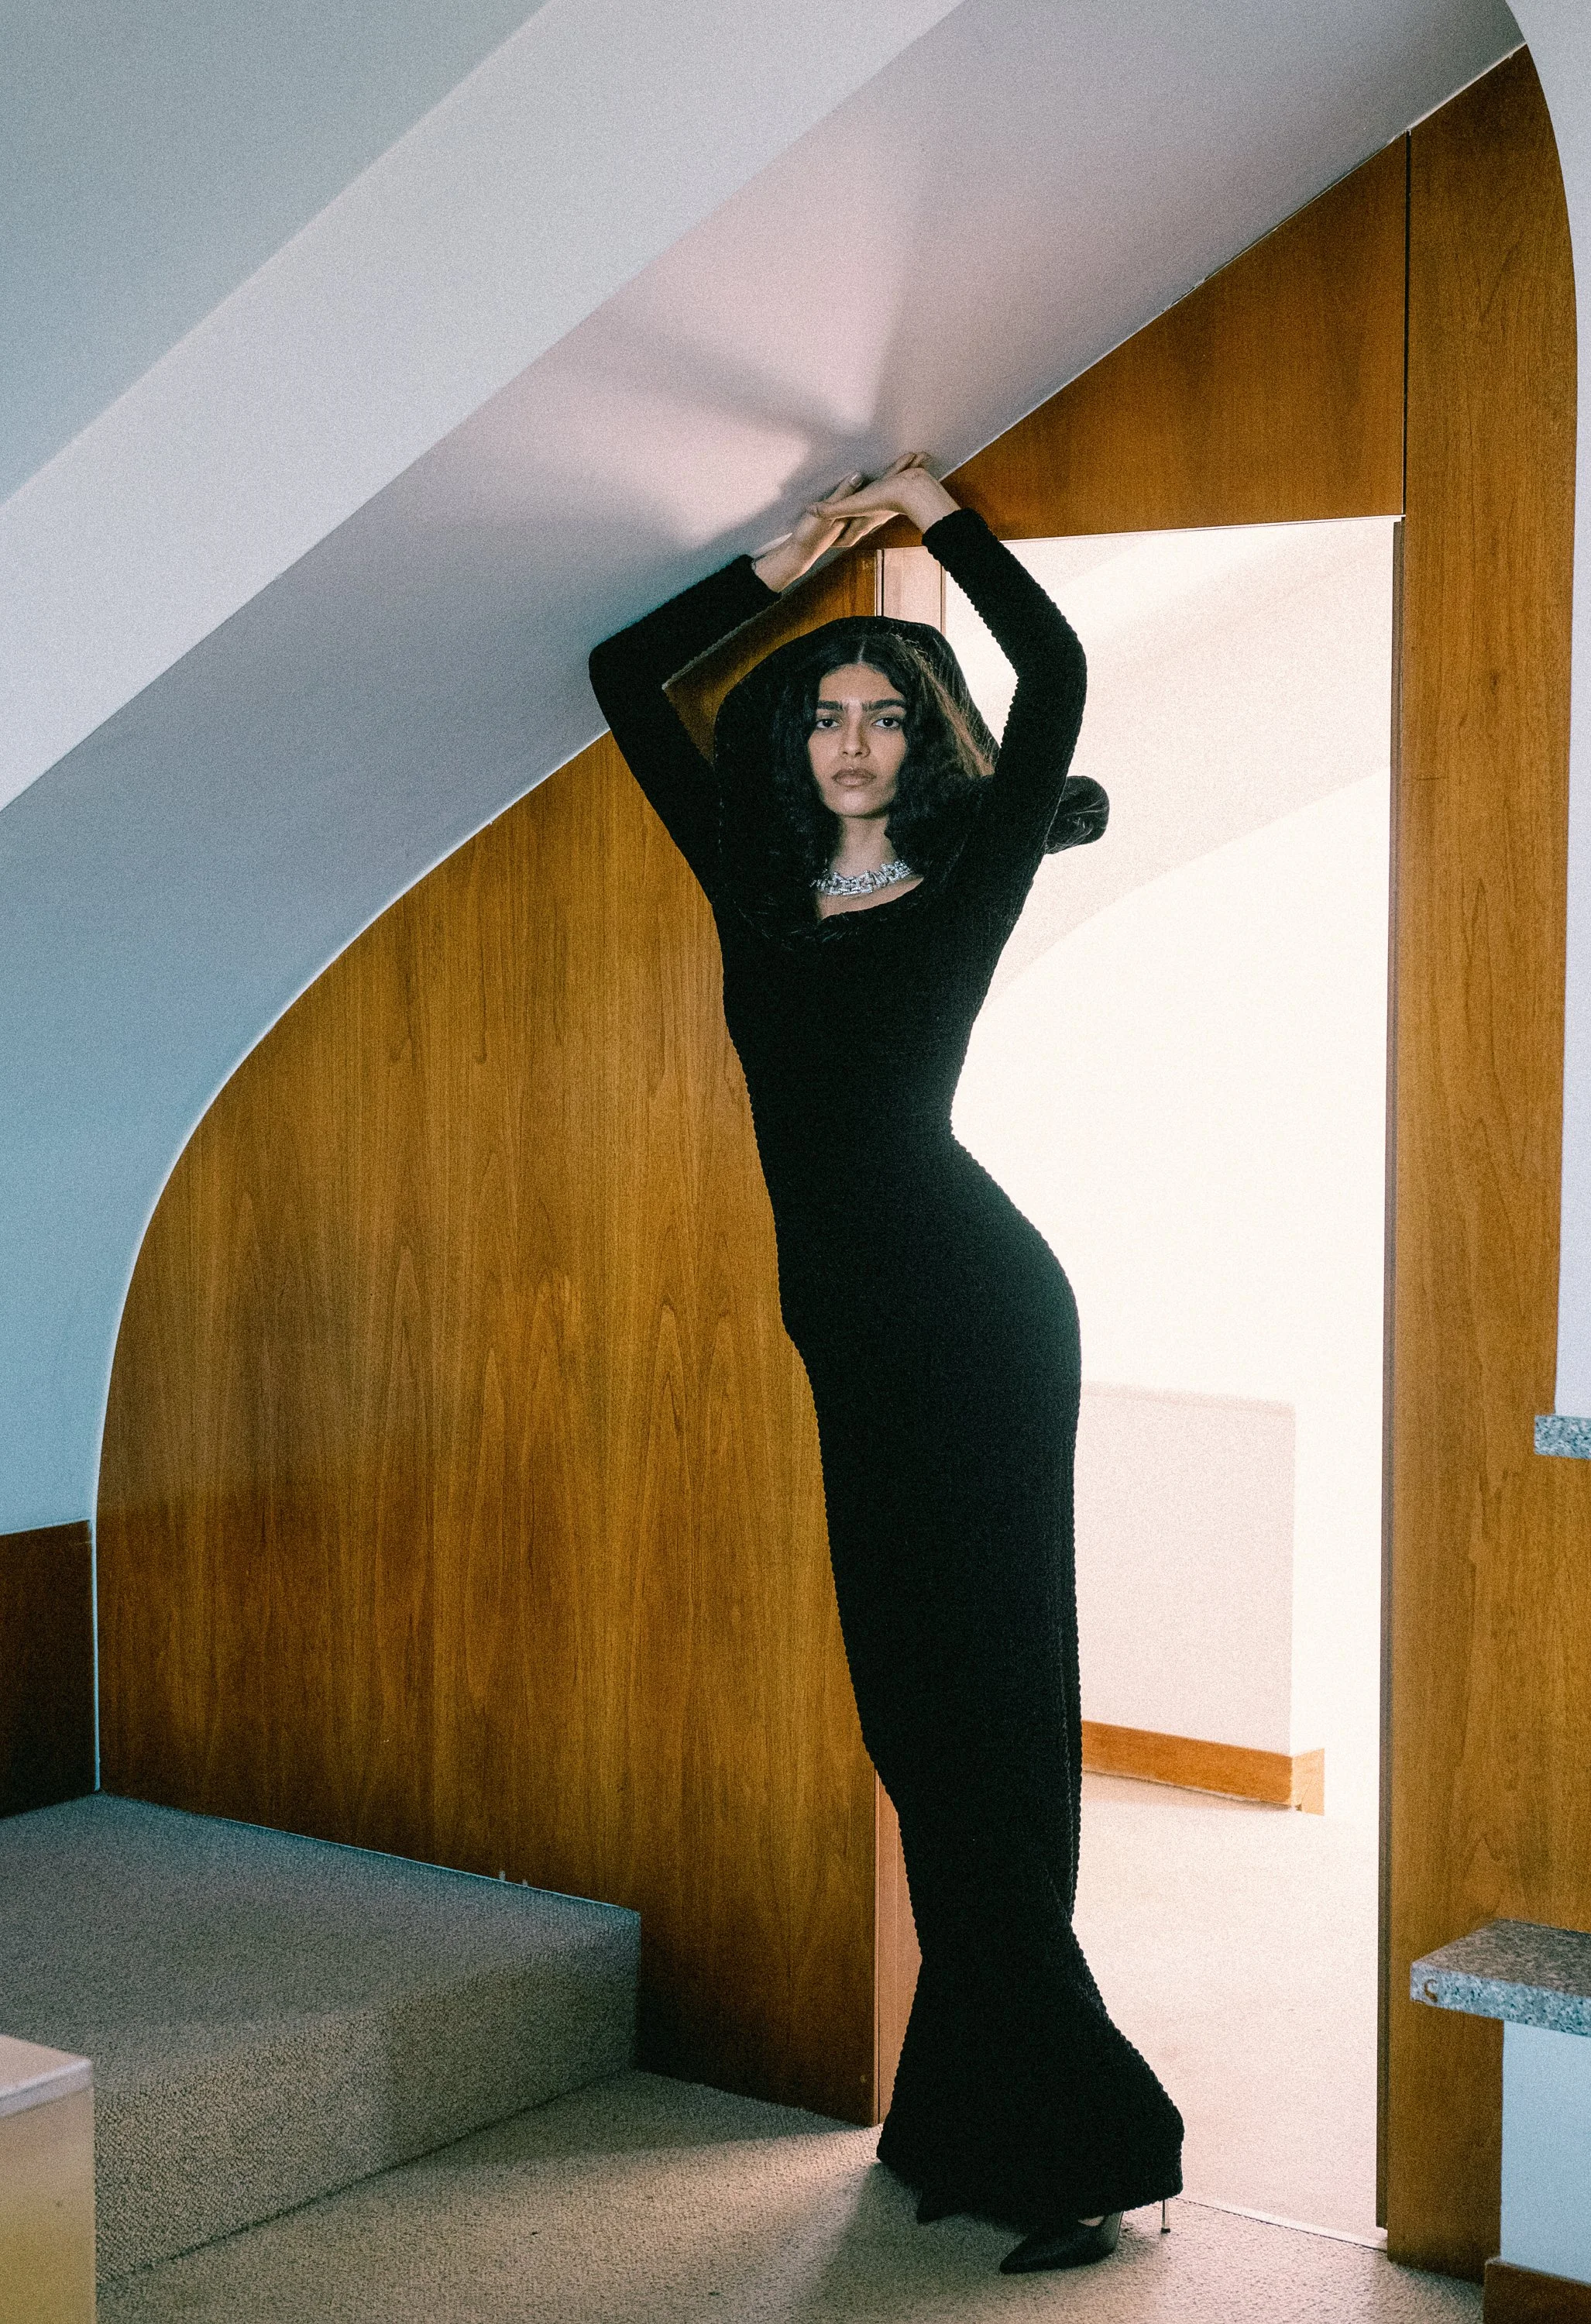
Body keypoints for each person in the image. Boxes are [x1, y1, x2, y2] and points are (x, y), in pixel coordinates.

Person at [589, 454, 1183, 2276]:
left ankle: (1079, 2148)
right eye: (827, 714)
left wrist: (941, 523)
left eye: (883, 713)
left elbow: (1060, 682)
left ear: (926, 735)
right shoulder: (760, 887)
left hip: (979, 1328)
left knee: (991, 1721)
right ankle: (964, 2113)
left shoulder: (964, 874)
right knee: (914, 1725)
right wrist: (776, 564)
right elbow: (625, 682)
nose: (851, 740)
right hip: (858, 1341)